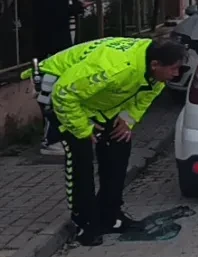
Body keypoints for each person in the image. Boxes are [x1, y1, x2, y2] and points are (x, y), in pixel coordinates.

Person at [20, 37, 185, 246]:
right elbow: (64, 93)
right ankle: (84, 222)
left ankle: (110, 215)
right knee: (81, 156)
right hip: (60, 91)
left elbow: (147, 94)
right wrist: (82, 128)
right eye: (173, 69)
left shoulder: (154, 69)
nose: (177, 74)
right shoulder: (115, 69)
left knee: (119, 145)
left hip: (95, 98)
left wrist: (128, 119)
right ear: (155, 65)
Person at [31, 0, 92, 156]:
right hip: (52, 45)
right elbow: (54, 9)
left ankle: (58, 135)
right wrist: (76, 6)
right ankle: (50, 140)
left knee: (60, 90)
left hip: (60, 44)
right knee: (52, 92)